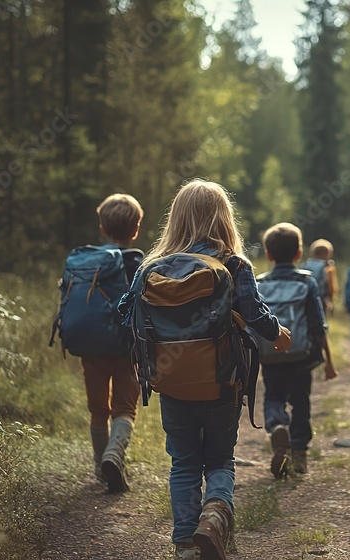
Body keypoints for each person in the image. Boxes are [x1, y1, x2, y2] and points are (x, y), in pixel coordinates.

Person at [118, 180, 292, 560]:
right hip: (222, 382)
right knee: (219, 459)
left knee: (183, 462)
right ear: (224, 218)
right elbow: (255, 316)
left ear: (175, 220)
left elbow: (125, 315)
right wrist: (279, 334)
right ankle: (213, 517)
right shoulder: (234, 264)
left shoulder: (151, 268)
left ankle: (184, 544)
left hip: (172, 383)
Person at [51, 193, 144, 492]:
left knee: (98, 411)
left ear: (102, 229)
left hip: (89, 348)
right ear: (136, 230)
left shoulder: (84, 260)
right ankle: (114, 456)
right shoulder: (134, 262)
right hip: (126, 348)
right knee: (124, 410)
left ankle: (100, 469)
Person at [258, 222, 338, 479]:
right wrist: (327, 360)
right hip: (302, 355)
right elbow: (318, 322)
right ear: (299, 254)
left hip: (271, 354)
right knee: (301, 401)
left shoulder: (259, 283)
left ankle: (277, 424)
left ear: (268, 255)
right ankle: (300, 454)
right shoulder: (307, 282)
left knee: (273, 396)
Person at [302, 238, 338, 313]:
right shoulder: (327, 267)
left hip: (304, 296)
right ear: (328, 253)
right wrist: (330, 299)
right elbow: (331, 287)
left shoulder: (306, 264)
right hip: (320, 298)